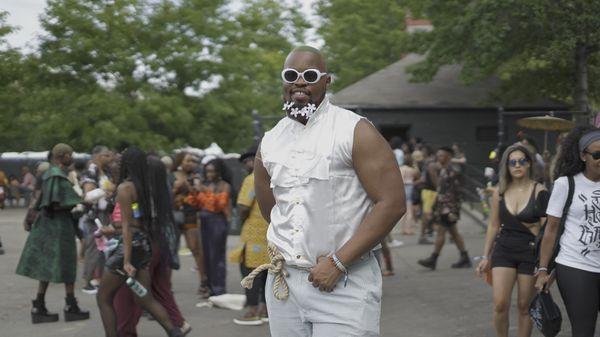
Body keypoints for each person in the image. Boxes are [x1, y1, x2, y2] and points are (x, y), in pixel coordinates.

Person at [246, 46, 405, 337]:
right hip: (285, 286)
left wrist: (338, 261)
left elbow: (392, 203)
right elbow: (273, 210)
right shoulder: (270, 141)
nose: (299, 82)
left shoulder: (355, 130)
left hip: (344, 282)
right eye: (291, 75)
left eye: (310, 75)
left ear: (327, 81)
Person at [96, 147, 183, 337]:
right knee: (145, 298)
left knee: (103, 298)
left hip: (130, 246)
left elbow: (127, 227)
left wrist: (126, 260)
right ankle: (175, 331)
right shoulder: (147, 187)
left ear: (127, 164)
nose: (117, 163)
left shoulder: (125, 188)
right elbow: (136, 221)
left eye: (120, 161)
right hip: (144, 245)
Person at [476, 144, 548, 337]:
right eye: (512, 162)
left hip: (530, 252)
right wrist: (485, 256)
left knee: (524, 305)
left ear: (529, 164)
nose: (517, 165)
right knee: (500, 304)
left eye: (522, 161)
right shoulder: (499, 191)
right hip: (504, 249)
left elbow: (548, 229)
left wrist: (545, 264)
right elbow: (493, 225)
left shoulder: (540, 191)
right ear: (506, 166)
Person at [536, 126, 600, 337]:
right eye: (597, 155)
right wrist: (543, 270)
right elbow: (551, 230)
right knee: (584, 331)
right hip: (576, 266)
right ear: (583, 155)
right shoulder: (566, 184)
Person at [15, 143, 90, 324]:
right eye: (69, 155)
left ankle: (40, 305)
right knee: (67, 263)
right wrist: (80, 202)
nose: (71, 157)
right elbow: (54, 203)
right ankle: (69, 305)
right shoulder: (56, 175)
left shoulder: (50, 174)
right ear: (62, 156)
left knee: (48, 266)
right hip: (57, 226)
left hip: (50, 226)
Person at [418, 147, 471, 270]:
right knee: (454, 233)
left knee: (441, 232)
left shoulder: (451, 171)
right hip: (445, 207)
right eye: (438, 155)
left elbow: (452, 192)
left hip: (448, 209)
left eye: (441, 155)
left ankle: (433, 258)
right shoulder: (444, 170)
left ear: (447, 156)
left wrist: (450, 209)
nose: (438, 158)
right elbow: (441, 191)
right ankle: (464, 257)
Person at [233, 146, 270, 326]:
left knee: (249, 272)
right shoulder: (274, 174)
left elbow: (243, 207)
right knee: (268, 272)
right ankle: (265, 309)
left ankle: (253, 310)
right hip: (271, 234)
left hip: (254, 235)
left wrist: (240, 219)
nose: (247, 164)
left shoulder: (251, 179)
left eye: (249, 160)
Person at [193, 158, 232, 297]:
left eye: (212, 171)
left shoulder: (224, 185)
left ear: (218, 172)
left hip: (217, 221)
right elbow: (197, 203)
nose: (209, 174)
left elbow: (219, 205)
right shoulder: (205, 184)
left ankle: (219, 288)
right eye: (207, 171)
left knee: (217, 255)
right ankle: (209, 286)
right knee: (206, 255)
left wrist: (204, 190)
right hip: (204, 221)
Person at [81, 145, 115, 294]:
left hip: (105, 214)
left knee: (104, 248)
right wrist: (106, 191)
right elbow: (88, 195)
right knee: (94, 247)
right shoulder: (91, 170)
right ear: (98, 156)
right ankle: (87, 281)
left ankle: (99, 278)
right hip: (94, 216)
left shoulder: (106, 171)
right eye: (107, 155)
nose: (110, 158)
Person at [172, 152, 207, 296]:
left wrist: (190, 185)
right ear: (180, 161)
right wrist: (176, 188)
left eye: (192, 161)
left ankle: (203, 282)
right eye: (188, 160)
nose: (190, 163)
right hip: (174, 215)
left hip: (190, 215)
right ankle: (166, 285)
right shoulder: (171, 175)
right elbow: (167, 193)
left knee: (195, 249)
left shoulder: (196, 176)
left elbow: (200, 193)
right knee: (171, 249)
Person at [399, 155, 420, 235]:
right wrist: (415, 165)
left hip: (401, 188)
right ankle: (408, 229)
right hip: (409, 187)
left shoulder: (400, 168)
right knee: (409, 210)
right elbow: (418, 175)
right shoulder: (412, 170)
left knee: (403, 210)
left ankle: (403, 229)